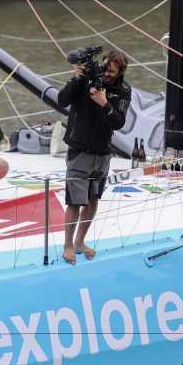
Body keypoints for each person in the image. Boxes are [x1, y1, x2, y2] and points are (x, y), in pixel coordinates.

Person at [58, 49, 131, 264]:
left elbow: (118, 122)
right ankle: (68, 245)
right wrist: (76, 77)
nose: (107, 75)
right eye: (105, 69)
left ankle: (80, 241)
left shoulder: (124, 90)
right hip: (79, 149)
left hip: (103, 151)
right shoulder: (86, 79)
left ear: (121, 72)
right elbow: (62, 100)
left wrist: (103, 102)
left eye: (112, 72)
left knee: (92, 199)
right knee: (74, 201)